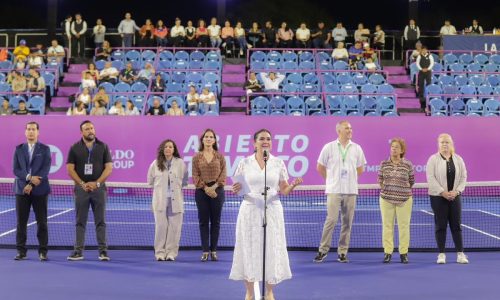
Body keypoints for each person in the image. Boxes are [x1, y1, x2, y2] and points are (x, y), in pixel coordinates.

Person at [230, 129, 302, 300]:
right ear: (254, 142)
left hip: (272, 211)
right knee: (248, 248)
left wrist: (292, 186)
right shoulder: (244, 163)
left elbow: (283, 189)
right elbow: (238, 187)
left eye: (268, 139)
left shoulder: (278, 163)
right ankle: (249, 292)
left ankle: (269, 291)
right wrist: (236, 189)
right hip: (249, 211)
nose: (265, 141)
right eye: (261, 138)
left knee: (272, 248)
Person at [314, 120, 366, 263]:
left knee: (347, 222)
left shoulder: (357, 148)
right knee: (331, 220)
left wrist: (350, 179)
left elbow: (360, 168)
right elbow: (320, 167)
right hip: (334, 190)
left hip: (351, 190)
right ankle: (323, 250)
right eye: (346, 128)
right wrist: (330, 180)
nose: (350, 130)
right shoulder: (328, 147)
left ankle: (342, 252)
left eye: (350, 128)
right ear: (339, 131)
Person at [66, 120, 113, 261]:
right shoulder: (74, 148)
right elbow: (70, 169)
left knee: (101, 221)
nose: (90, 131)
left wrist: (97, 183)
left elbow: (109, 168)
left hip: (99, 190)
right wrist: (82, 183)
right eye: (87, 129)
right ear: (81, 132)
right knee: (80, 222)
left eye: (92, 128)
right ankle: (78, 252)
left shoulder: (103, 146)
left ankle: (103, 252)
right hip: (81, 190)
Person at [426, 134, 468, 264]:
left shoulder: (458, 159)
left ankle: (460, 254)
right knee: (441, 226)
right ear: (438, 144)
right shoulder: (433, 159)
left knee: (456, 226)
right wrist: (442, 192)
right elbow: (431, 178)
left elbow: (463, 177)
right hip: (438, 198)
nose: (445, 144)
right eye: (442, 142)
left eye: (447, 142)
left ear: (451, 144)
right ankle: (441, 254)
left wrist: (457, 191)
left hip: (455, 197)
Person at [12, 121, 51, 261]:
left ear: (38, 132)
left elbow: (45, 169)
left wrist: (32, 184)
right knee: (21, 222)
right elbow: (16, 169)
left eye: (33, 129)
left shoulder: (45, 149)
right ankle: (21, 251)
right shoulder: (18, 149)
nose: (31, 132)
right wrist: (28, 178)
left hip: (40, 190)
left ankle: (43, 251)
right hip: (21, 190)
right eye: (28, 129)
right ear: (25, 132)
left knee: (42, 222)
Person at [147, 139, 188, 261]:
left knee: (174, 228)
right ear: (162, 149)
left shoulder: (180, 163)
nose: (168, 149)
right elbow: (150, 180)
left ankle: (171, 253)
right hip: (160, 201)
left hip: (176, 201)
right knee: (160, 227)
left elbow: (185, 180)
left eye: (170, 147)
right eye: (166, 147)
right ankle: (159, 253)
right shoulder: (155, 164)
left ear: (174, 149)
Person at [192, 129, 227, 262]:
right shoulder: (197, 157)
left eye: (211, 137)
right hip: (201, 192)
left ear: (214, 140)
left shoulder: (220, 157)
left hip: (218, 191)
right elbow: (195, 176)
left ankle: (214, 250)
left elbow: (223, 174)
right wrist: (206, 188)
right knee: (203, 222)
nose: (208, 139)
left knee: (216, 222)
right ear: (202, 139)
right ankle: (205, 251)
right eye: (206, 137)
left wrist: (214, 187)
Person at [378, 138, 415, 264]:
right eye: (392, 146)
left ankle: (403, 253)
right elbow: (380, 179)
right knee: (387, 226)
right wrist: (388, 190)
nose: (394, 149)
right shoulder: (383, 164)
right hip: (386, 199)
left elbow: (411, 181)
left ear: (402, 150)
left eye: (397, 147)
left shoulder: (408, 164)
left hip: (404, 200)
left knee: (403, 227)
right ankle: (387, 253)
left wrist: (401, 191)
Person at [416, 46, 434, 114]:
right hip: (421, 71)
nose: (424, 51)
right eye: (423, 50)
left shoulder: (430, 56)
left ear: (427, 50)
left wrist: (428, 69)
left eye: (425, 50)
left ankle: (428, 95)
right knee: (421, 84)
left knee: (428, 83)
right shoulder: (419, 56)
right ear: (422, 50)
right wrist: (421, 69)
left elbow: (432, 63)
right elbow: (417, 63)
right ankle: (421, 97)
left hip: (428, 71)